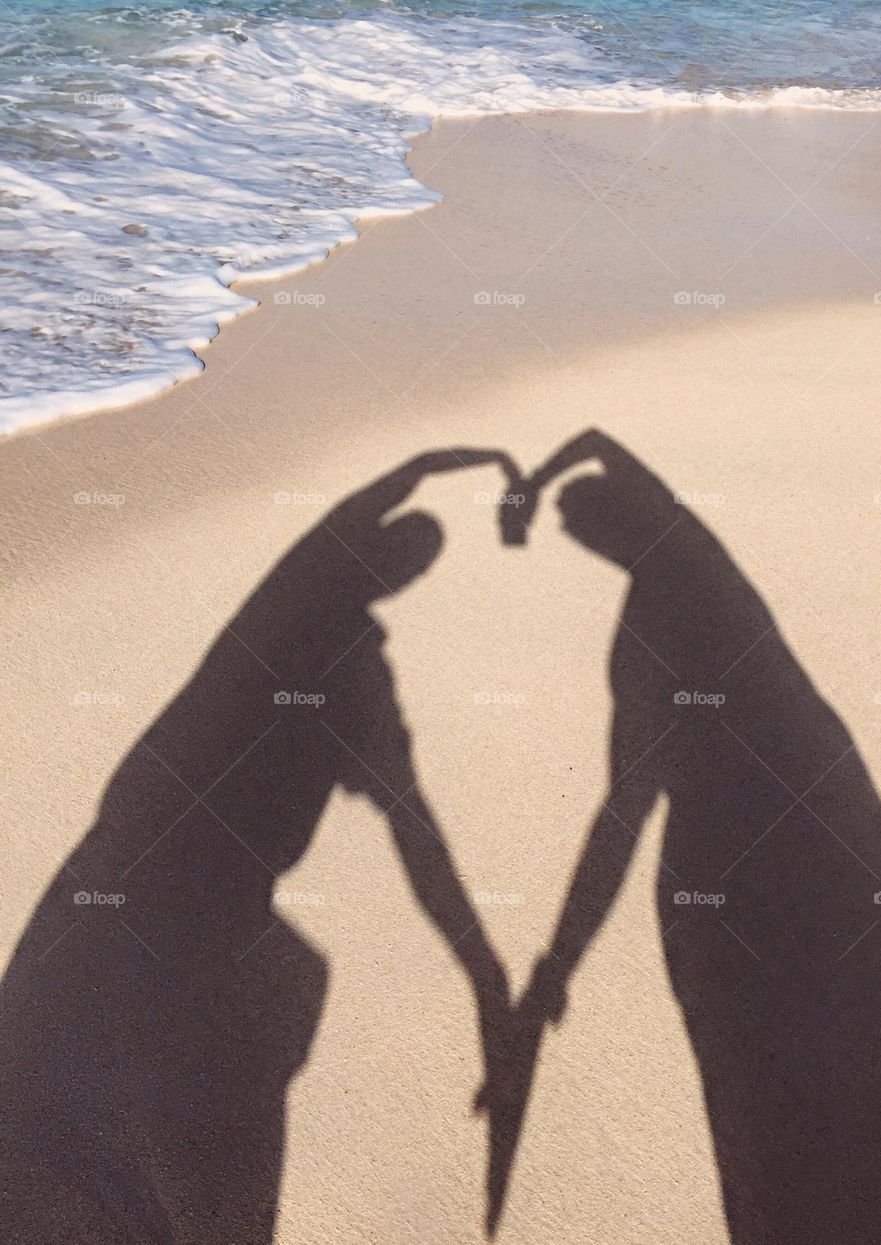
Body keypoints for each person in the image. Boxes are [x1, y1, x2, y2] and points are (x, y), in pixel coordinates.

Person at [0, 449, 517, 1244]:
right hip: (195, 913)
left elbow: (387, 481)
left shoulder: (294, 598)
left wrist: (481, 459)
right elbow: (419, 838)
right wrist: (483, 969)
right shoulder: (350, 675)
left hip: (116, 855)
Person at [498, 429, 881, 1244]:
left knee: (771, 1136)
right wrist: (533, 479)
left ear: (602, 538)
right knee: (874, 1122)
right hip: (833, 830)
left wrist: (555, 967)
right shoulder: (696, 555)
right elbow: (604, 442)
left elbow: (622, 817)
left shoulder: (641, 643)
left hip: (741, 889)